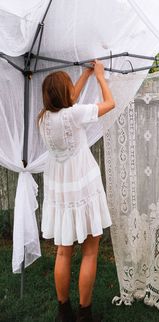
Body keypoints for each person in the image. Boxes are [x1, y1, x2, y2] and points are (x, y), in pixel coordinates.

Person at [38, 60, 115, 322]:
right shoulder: (74, 114)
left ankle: (63, 312)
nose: (74, 90)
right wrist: (101, 78)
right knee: (90, 250)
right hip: (83, 185)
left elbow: (69, 100)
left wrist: (84, 74)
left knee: (62, 251)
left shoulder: (45, 119)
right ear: (64, 93)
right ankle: (84, 313)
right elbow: (109, 104)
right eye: (70, 87)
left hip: (60, 190)